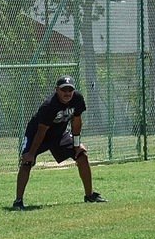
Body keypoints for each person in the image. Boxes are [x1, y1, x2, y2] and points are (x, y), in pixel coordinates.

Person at [13, 75, 106, 210]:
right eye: (64, 90)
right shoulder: (50, 105)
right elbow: (41, 131)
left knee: (82, 156)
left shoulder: (77, 99)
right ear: (56, 90)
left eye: (70, 90)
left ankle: (89, 195)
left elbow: (77, 122)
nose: (67, 93)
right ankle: (18, 201)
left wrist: (76, 144)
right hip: (37, 134)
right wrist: (31, 153)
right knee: (27, 162)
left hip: (59, 134)